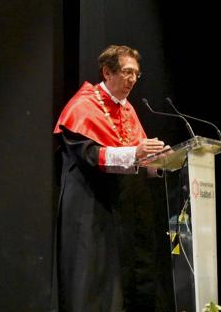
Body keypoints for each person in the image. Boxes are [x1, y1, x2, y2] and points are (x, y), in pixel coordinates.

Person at [52, 45, 167, 311]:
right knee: (94, 283)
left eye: (136, 74)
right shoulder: (83, 106)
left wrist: (163, 159)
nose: (132, 80)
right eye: (127, 72)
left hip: (121, 210)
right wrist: (136, 153)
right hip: (89, 208)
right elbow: (91, 155)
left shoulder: (127, 110)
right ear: (107, 72)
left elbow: (138, 156)